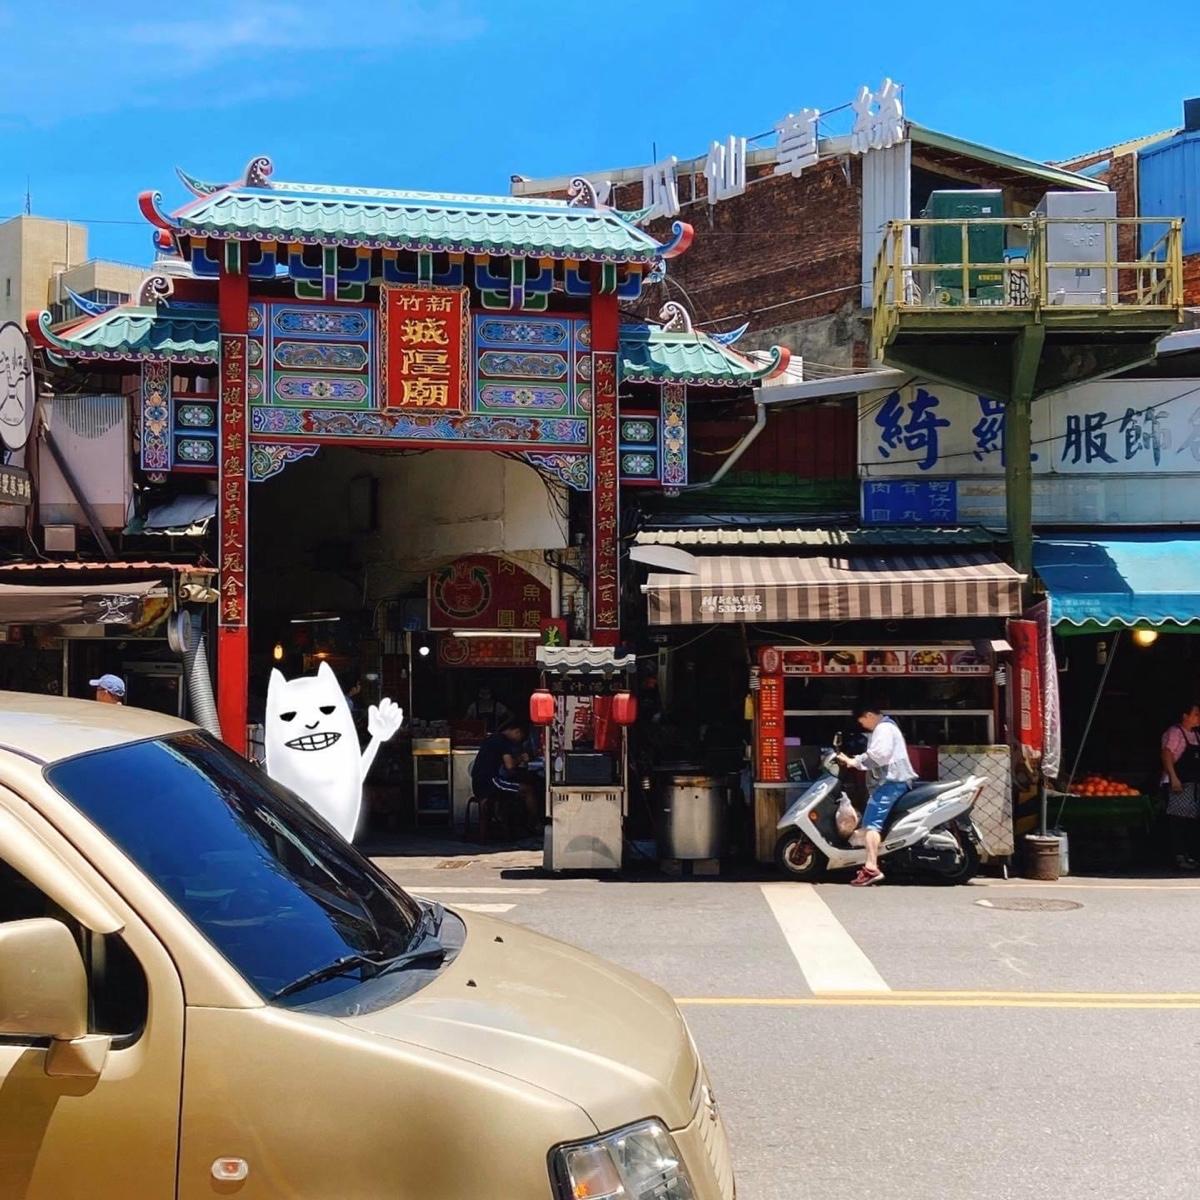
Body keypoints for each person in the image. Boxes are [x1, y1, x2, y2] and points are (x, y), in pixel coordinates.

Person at [836, 701, 916, 886]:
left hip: (891, 783)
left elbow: (879, 755)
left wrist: (854, 761)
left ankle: (871, 867)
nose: (864, 726)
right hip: (895, 782)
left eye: (862, 722)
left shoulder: (883, 728)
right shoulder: (889, 726)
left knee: (871, 825)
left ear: (869, 715)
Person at [470, 721, 538, 835]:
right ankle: (534, 825)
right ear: (517, 732)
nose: (518, 742)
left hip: (478, 783)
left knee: (517, 788)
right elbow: (510, 765)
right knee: (528, 790)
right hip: (491, 783)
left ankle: (512, 825)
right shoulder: (503, 741)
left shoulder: (492, 739)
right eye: (520, 738)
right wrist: (521, 758)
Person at [1161, 701, 1200, 871]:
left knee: (1191, 822)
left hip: (1193, 785)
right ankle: (1178, 856)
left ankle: (1190, 855)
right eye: (1196, 714)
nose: (1199, 717)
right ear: (1185, 716)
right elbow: (1166, 754)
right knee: (1178, 821)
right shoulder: (1175, 732)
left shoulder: (1196, 735)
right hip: (1178, 784)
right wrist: (1173, 777)